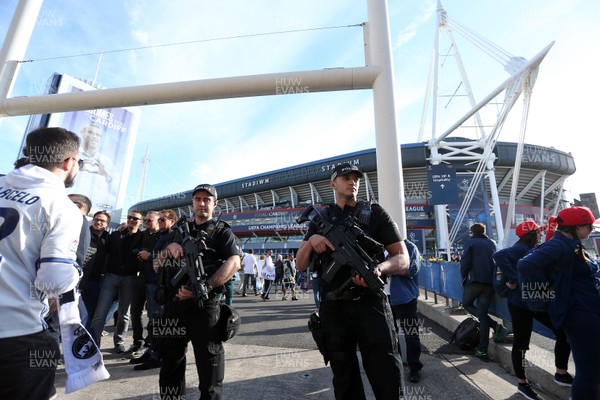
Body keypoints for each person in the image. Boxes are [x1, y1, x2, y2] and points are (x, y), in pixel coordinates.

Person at [296, 162, 409, 400]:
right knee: (344, 376)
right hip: (334, 307)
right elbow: (300, 264)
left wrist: (379, 268)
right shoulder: (321, 219)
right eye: (346, 177)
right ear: (333, 184)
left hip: (370, 303)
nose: (353, 181)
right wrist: (312, 239)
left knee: (386, 372)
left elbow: (403, 259)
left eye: (356, 178)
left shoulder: (375, 213)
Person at [0, 127, 83, 399]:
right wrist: (74, 271)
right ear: (68, 161)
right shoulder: (63, 206)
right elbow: (54, 281)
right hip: (16, 330)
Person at [153, 184, 241, 399]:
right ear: (192, 202)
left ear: (215, 203)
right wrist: (168, 249)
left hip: (205, 305)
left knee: (209, 360)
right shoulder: (178, 232)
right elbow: (156, 265)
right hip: (174, 305)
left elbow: (234, 262)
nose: (202, 203)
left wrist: (205, 287)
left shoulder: (222, 232)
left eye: (207, 199)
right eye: (198, 199)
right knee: (170, 358)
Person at [518, 206, 600, 399]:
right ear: (576, 227)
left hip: (585, 311)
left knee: (593, 368)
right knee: (590, 371)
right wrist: (547, 287)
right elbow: (525, 265)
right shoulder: (558, 245)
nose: (590, 230)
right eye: (588, 226)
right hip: (578, 314)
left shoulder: (570, 242)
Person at [494, 220, 572, 400]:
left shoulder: (533, 249)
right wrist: (516, 278)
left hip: (532, 302)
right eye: (538, 232)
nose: (541, 235)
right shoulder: (519, 250)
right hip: (522, 304)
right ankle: (523, 384)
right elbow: (498, 256)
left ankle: (559, 373)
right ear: (530, 234)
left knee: (561, 332)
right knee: (524, 344)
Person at [90, 210, 143, 351]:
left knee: (123, 314)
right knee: (100, 313)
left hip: (130, 278)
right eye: (130, 217)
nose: (132, 220)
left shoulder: (142, 237)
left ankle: (118, 342)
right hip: (110, 277)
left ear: (141, 221)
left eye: (135, 218)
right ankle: (94, 345)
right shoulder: (115, 234)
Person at [131, 209, 177, 371]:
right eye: (161, 219)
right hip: (151, 280)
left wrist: (148, 256)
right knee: (153, 318)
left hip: (160, 283)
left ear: (172, 221)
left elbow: (167, 257)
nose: (160, 222)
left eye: (164, 219)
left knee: (157, 319)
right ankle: (152, 351)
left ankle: (156, 356)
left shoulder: (174, 236)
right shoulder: (164, 235)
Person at [460, 222, 508, 361]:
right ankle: (482, 350)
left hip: (474, 282)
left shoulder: (470, 243)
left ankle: (495, 326)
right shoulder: (492, 243)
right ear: (484, 231)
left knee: (466, 304)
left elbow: (465, 263)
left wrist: (464, 279)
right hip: (489, 283)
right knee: (482, 314)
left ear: (472, 232)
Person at [389, 239, 423, 383]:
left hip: (405, 298)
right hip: (383, 297)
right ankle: (396, 368)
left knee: (411, 334)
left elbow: (413, 270)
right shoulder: (378, 246)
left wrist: (387, 267)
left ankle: (414, 368)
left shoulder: (409, 247)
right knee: (389, 336)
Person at [129, 211, 161, 354]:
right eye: (145, 220)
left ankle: (150, 341)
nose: (146, 223)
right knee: (135, 311)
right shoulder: (143, 234)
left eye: (149, 221)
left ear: (158, 221)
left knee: (153, 313)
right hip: (141, 277)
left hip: (155, 279)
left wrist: (149, 256)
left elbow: (166, 256)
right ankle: (137, 341)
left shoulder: (165, 236)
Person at [80, 210, 111, 329]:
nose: (98, 222)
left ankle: (83, 335)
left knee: (88, 310)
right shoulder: (84, 233)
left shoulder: (108, 238)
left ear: (107, 224)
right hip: (80, 279)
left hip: (96, 281)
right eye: (96, 219)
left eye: (102, 220)